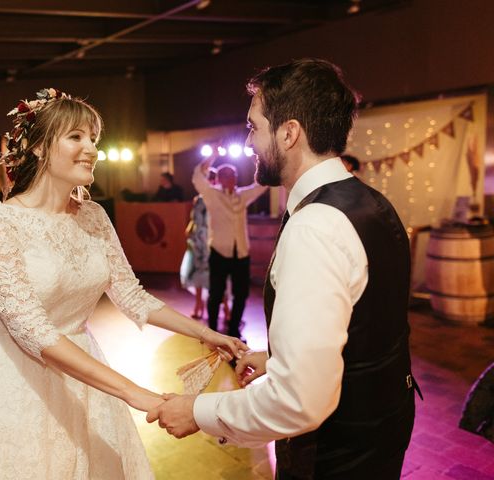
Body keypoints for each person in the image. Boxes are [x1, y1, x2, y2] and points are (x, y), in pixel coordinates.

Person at [0, 88, 247, 479]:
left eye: (94, 139)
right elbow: (33, 331)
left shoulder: (94, 216)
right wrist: (138, 394)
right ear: (38, 148)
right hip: (15, 382)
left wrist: (205, 333)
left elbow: (131, 295)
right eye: (77, 137)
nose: (92, 149)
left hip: (87, 378)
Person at [148, 59, 417, 479]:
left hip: (336, 456)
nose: (249, 141)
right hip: (382, 429)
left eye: (254, 127)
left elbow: (299, 402)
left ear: (289, 133)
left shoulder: (314, 227)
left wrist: (198, 411)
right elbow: (361, 328)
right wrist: (277, 358)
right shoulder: (371, 203)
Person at [191, 157, 267, 341]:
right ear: (219, 178)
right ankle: (212, 332)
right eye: (225, 175)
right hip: (219, 252)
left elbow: (262, 185)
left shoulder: (242, 195)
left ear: (236, 177)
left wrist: (261, 160)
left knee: (241, 294)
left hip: (241, 253)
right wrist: (212, 156)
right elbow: (196, 178)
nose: (229, 178)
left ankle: (234, 330)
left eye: (232, 175)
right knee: (216, 294)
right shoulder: (212, 195)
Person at [179, 167, 230, 320]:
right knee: (198, 275)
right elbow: (194, 220)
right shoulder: (198, 199)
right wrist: (189, 230)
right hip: (198, 241)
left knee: (219, 276)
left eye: (210, 179)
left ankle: (226, 309)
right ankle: (199, 305)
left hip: (214, 240)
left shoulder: (219, 197)